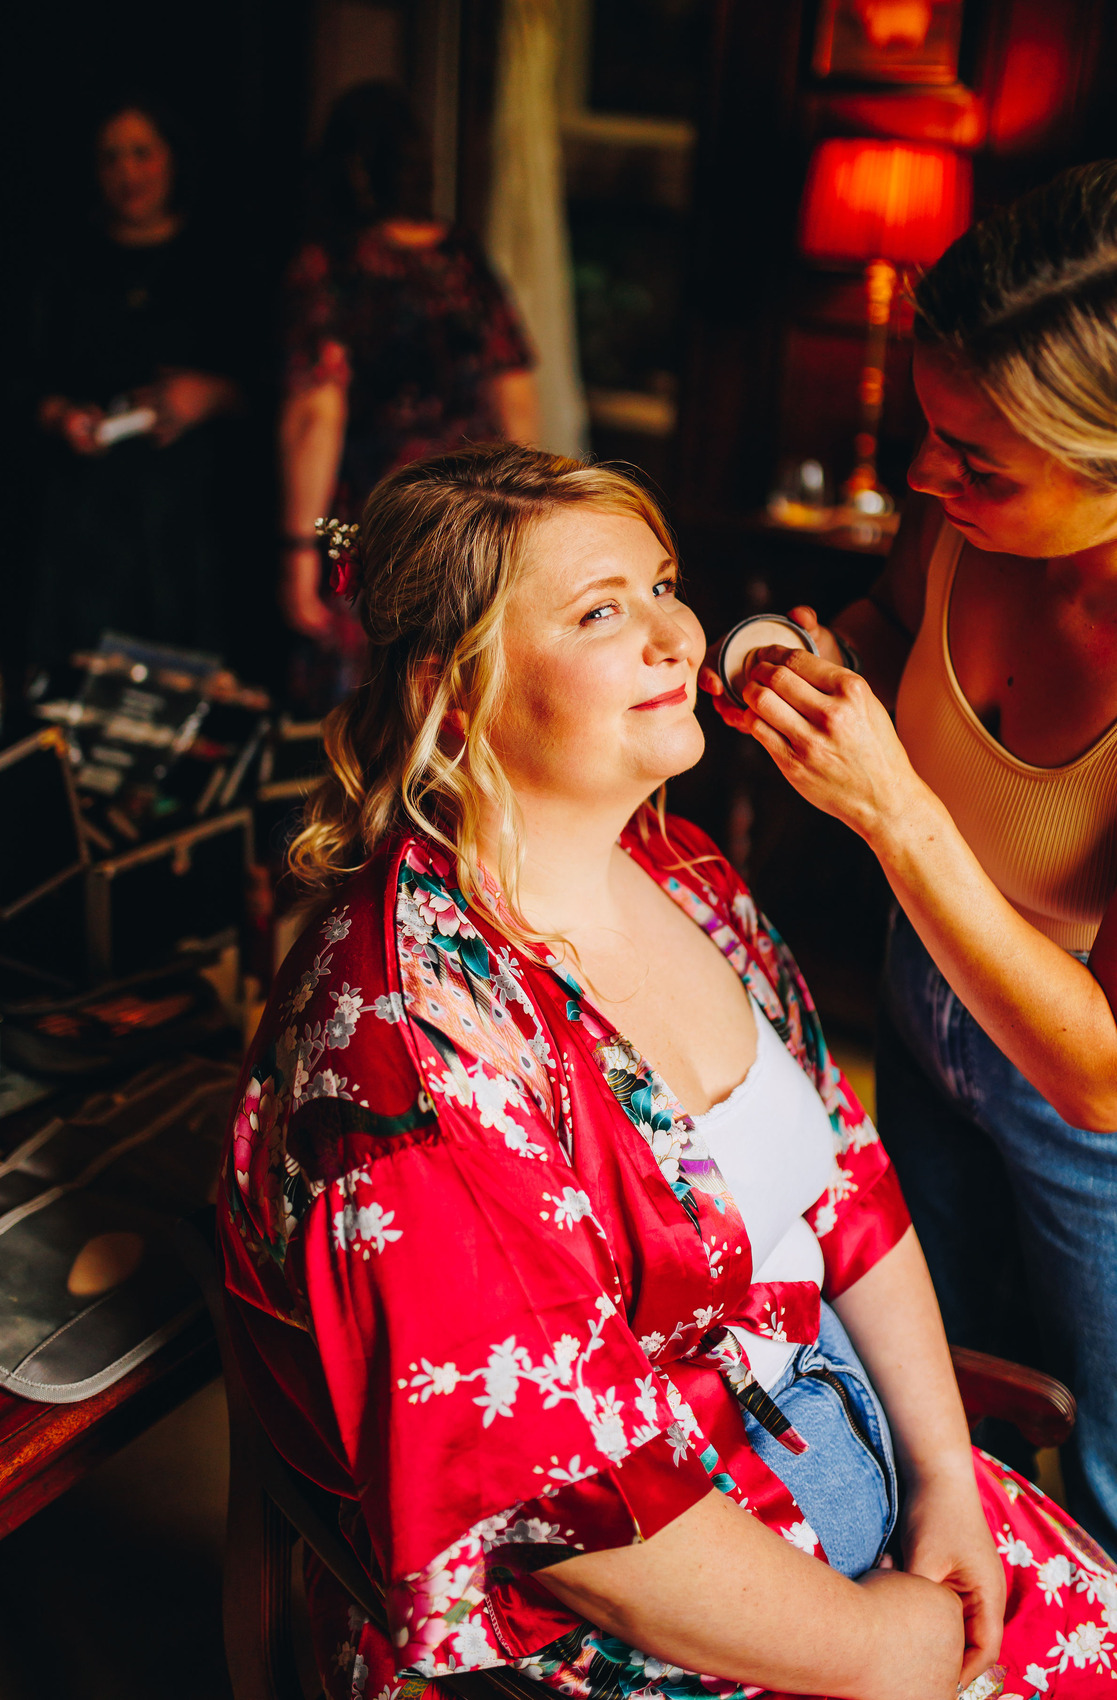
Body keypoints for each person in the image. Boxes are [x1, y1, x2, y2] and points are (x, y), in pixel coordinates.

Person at [218, 444, 1117, 1700]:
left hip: (871, 1489)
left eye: (661, 584)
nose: (676, 636)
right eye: (600, 611)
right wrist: (883, 1649)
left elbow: (846, 1186)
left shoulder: (679, 863)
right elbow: (561, 1507)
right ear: (453, 690)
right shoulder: (412, 1047)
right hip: (661, 1623)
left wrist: (943, 1480)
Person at [701, 159, 1117, 1559]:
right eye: (931, 433)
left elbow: (1098, 1076)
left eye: (978, 461)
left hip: (1075, 1077)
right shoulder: (956, 510)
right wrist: (804, 660)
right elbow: (889, 623)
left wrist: (894, 811)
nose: (928, 477)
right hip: (920, 1001)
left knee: (1107, 1463)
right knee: (935, 1381)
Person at [277, 81, 537, 701]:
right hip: (469, 515)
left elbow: (317, 413)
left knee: (363, 699)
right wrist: (528, 518)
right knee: (454, 692)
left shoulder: (330, 265)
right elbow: (517, 397)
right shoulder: (463, 258)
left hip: (370, 519)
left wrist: (298, 549)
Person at [31, 98, 247, 666]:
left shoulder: (218, 258)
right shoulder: (65, 261)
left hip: (190, 517)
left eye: (141, 153)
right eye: (111, 157)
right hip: (88, 517)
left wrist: (210, 396)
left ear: (172, 159)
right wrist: (60, 416)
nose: (127, 172)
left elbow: (270, 382)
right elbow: (24, 377)